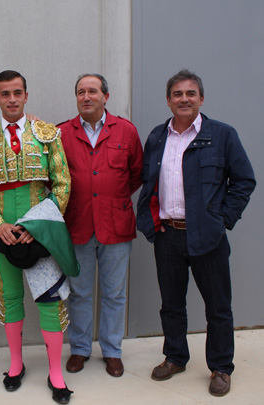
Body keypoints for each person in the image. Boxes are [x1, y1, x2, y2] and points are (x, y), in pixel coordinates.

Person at [137, 69, 256, 397]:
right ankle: (175, 356)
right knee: (171, 304)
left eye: (190, 93)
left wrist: (223, 220)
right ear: (168, 100)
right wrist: (151, 225)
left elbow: (244, 180)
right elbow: (148, 183)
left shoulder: (221, 135)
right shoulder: (157, 138)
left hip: (208, 237)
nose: (184, 99)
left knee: (218, 306)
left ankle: (220, 367)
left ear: (201, 99)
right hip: (168, 235)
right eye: (177, 94)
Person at [0, 70, 73, 404]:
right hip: (2, 230)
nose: (12, 99)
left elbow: (62, 182)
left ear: (26, 96)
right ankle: (15, 365)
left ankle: (55, 372)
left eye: (17, 93)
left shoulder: (47, 133)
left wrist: (38, 226)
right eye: (5, 94)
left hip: (39, 230)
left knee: (49, 299)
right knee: (10, 296)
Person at [58, 74, 143, 377]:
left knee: (114, 293)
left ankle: (111, 350)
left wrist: (109, 199)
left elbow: (135, 175)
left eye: (92, 91)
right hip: (77, 225)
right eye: (80, 91)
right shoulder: (61, 133)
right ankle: (80, 349)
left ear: (106, 96)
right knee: (79, 293)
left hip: (115, 226)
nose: (86, 96)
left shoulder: (126, 131)